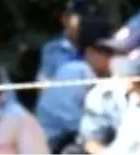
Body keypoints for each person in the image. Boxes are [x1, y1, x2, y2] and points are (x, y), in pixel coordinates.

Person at [34, 17, 115, 153]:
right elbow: (73, 123)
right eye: (108, 52)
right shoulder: (75, 71)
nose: (112, 57)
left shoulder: (99, 75)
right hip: (53, 143)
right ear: (90, 52)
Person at [36, 0, 95, 82]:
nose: (84, 22)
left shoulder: (99, 44)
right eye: (79, 17)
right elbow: (44, 85)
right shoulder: (53, 49)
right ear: (65, 19)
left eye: (87, 17)